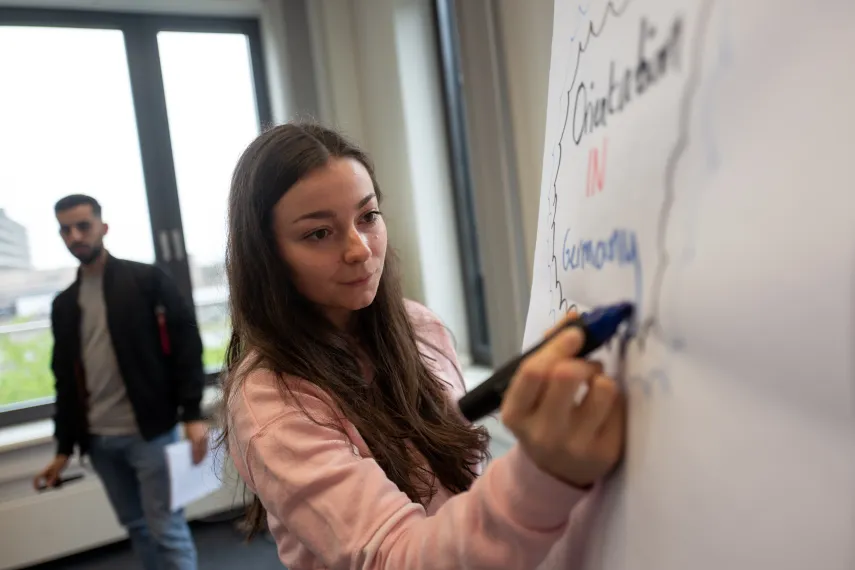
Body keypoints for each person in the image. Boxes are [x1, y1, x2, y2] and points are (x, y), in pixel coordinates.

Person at [220, 123, 626, 569]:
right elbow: (398, 558)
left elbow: (457, 487)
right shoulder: (270, 400)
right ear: (267, 256)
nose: (359, 249)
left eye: (368, 217)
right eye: (319, 233)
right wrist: (543, 474)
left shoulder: (417, 326)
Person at [34, 194, 207, 570]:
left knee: (167, 529)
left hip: (150, 434)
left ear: (103, 227)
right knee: (138, 529)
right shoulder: (64, 304)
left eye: (83, 226)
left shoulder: (145, 281)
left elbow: (187, 345)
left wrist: (192, 412)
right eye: (66, 229)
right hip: (98, 440)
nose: (75, 235)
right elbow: (65, 379)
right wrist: (64, 448)